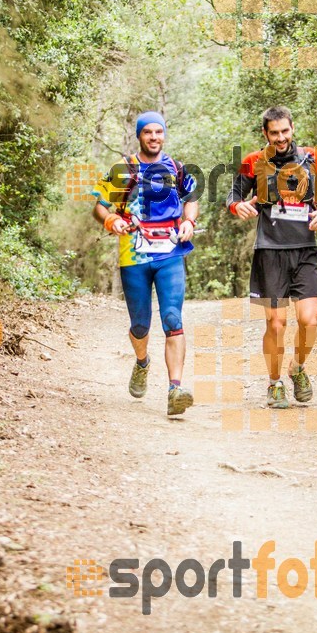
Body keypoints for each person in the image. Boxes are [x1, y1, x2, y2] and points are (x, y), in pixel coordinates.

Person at [92, 111, 199, 416]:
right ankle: (142, 362)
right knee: (140, 326)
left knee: (172, 319)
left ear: (164, 134)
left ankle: (174, 389)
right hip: (134, 256)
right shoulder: (123, 169)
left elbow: (191, 198)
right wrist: (111, 219)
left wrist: (189, 221)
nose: (154, 137)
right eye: (148, 132)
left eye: (159, 132)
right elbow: (99, 206)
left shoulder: (177, 168)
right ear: (139, 135)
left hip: (170, 253)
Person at [227, 105, 317, 409]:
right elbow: (233, 195)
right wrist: (238, 206)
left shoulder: (311, 157)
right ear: (265, 133)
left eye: (285, 131)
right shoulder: (253, 162)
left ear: (292, 128)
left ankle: (297, 368)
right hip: (270, 251)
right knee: (276, 324)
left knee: (309, 320)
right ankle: (274, 383)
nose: (281, 138)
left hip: (305, 249)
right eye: (274, 133)